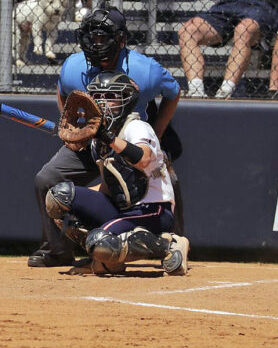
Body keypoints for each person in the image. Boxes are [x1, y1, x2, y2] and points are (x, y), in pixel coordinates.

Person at [28, 5, 181, 268]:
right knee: (46, 179)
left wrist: (156, 133)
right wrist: (73, 126)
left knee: (164, 181)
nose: (96, 43)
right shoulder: (74, 66)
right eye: (91, 36)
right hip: (91, 142)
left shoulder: (145, 70)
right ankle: (58, 250)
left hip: (130, 139)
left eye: (103, 36)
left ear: (121, 39)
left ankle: (172, 243)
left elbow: (173, 92)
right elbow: (64, 92)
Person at [44, 71, 190, 275]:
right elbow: (108, 185)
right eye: (98, 97)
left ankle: (168, 244)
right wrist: (77, 207)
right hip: (121, 208)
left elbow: (144, 158)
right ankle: (104, 256)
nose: (103, 103)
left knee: (99, 240)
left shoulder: (137, 127)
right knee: (59, 196)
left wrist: (109, 137)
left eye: (111, 97)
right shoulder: (98, 138)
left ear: (126, 100)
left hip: (152, 210)